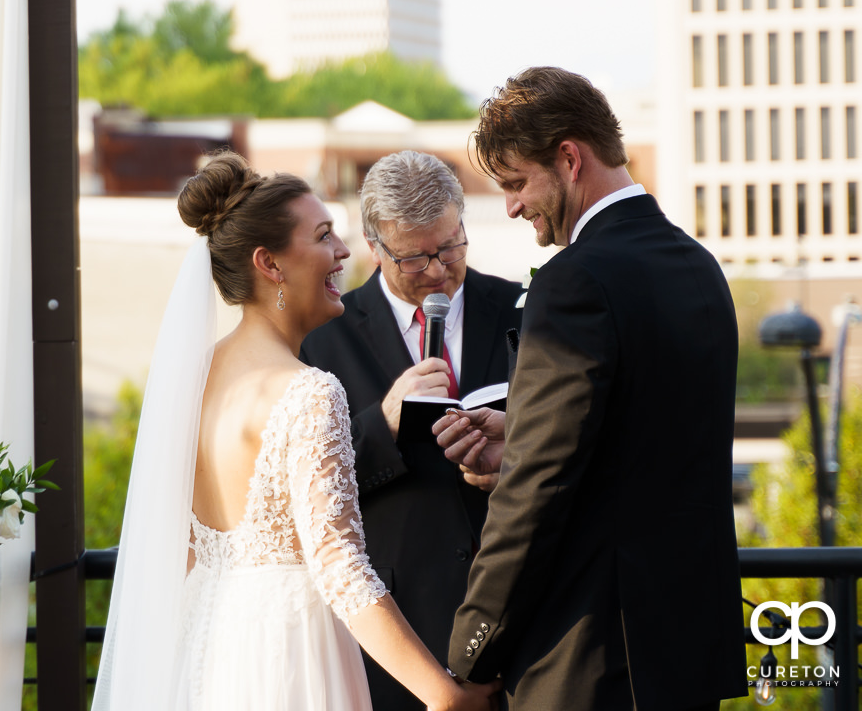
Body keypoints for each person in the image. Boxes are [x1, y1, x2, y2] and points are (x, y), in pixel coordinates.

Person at [91, 152, 498, 711]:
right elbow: (342, 570)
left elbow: (182, 551)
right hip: (288, 658)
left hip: (211, 649)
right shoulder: (309, 390)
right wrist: (443, 696)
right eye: (325, 235)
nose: (344, 253)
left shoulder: (195, 375)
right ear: (271, 264)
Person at [435, 67, 747, 710]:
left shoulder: (574, 281)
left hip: (596, 660)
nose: (514, 206)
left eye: (518, 183)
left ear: (570, 158)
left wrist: (469, 652)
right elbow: (650, 441)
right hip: (689, 654)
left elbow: (536, 491)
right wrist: (520, 433)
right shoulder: (698, 265)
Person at [300, 150, 523, 710]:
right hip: (400, 634)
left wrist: (511, 465)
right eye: (415, 258)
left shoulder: (525, 308)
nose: (440, 269)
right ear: (374, 247)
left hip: (525, 622)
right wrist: (386, 421)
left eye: (451, 246)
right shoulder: (323, 337)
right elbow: (306, 493)